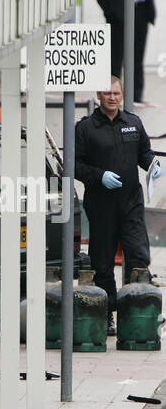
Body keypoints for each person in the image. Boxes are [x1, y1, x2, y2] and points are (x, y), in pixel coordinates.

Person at [75, 76, 162, 336]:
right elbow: (75, 165)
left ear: (122, 95)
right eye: (107, 93)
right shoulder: (86, 128)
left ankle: (136, 310)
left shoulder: (133, 124)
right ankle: (107, 315)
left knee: (138, 255)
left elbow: (145, 153)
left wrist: (152, 166)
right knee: (102, 264)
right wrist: (98, 175)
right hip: (101, 205)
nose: (112, 97)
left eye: (116, 93)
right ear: (98, 96)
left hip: (130, 203)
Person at [93, 0, 156, 104]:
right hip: (118, 11)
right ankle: (110, 95)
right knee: (115, 57)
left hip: (142, 9)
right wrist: (109, 7)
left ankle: (135, 97)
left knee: (137, 56)